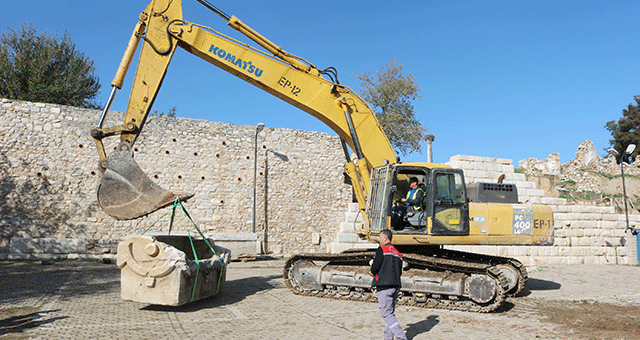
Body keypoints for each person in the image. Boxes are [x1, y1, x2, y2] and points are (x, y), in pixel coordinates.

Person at [369, 229, 407, 340]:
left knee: (386, 314)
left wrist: (371, 272)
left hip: (384, 286)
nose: (379, 240)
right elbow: (399, 271)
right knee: (390, 314)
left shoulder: (382, 249)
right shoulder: (397, 252)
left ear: (385, 238)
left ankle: (401, 337)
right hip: (395, 286)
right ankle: (388, 338)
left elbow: (375, 266)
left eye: (380, 237)